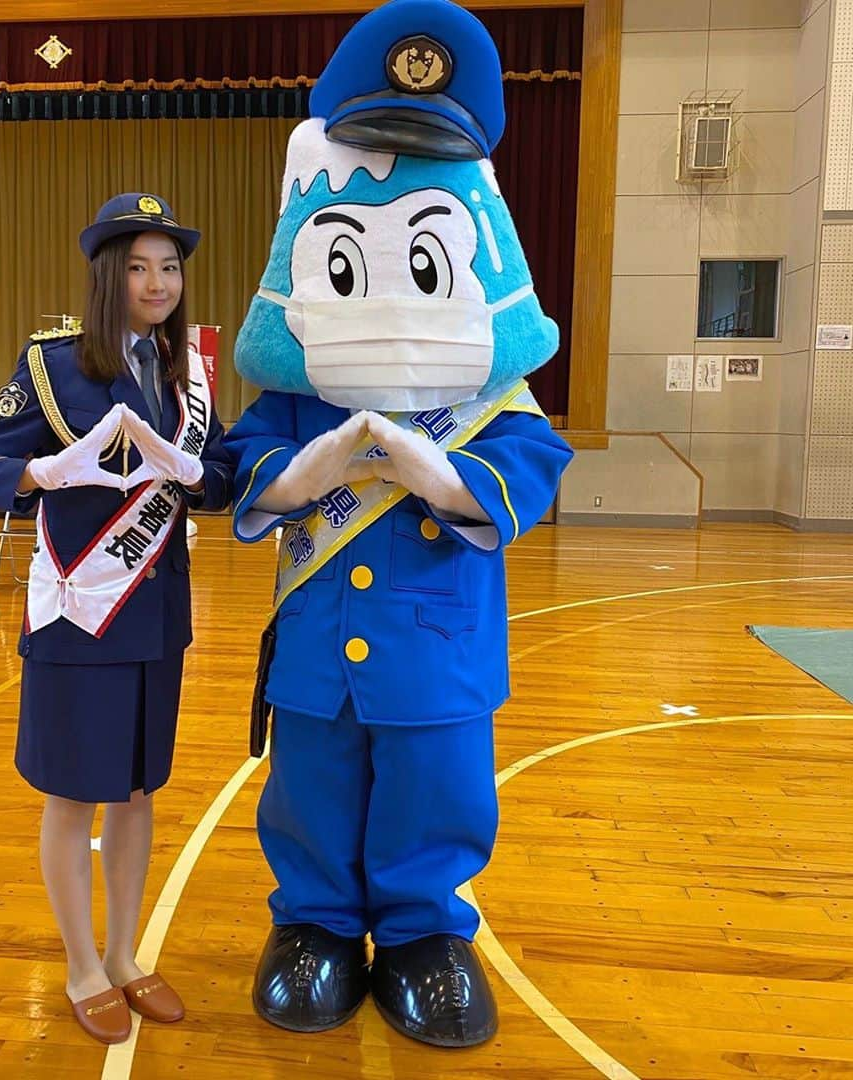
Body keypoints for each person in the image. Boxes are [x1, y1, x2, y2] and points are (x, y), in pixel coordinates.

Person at [223, 0, 574, 1049]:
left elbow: (530, 465)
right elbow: (245, 462)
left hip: (441, 654)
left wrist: (445, 473)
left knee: (436, 789)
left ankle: (426, 934)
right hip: (323, 654)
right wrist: (301, 467)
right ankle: (315, 928)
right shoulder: (307, 385)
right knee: (313, 793)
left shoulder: (488, 392)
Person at [0, 193, 234, 1045]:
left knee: (140, 791)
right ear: (110, 275)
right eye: (140, 266)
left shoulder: (191, 376)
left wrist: (196, 477)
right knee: (75, 795)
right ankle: (78, 965)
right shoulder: (54, 367)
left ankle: (124, 955)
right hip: (78, 614)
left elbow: (218, 478)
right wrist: (40, 473)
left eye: (171, 266)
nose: (158, 282)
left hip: (156, 614)